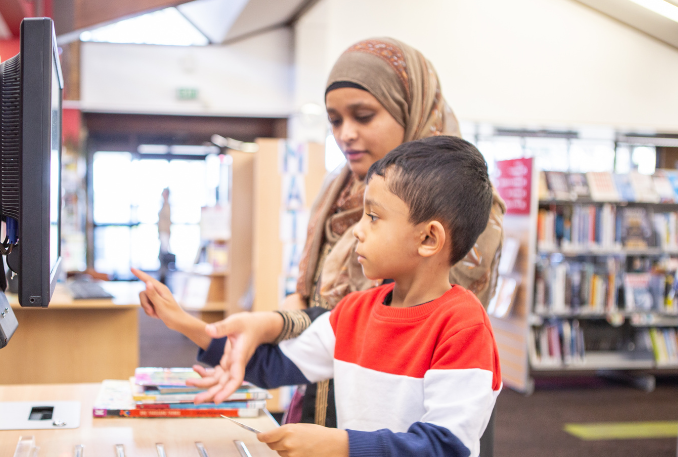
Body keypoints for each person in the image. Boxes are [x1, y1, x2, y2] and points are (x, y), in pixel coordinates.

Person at [134, 36, 506, 429]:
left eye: (363, 116)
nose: (345, 133)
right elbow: (323, 313)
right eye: (335, 120)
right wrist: (194, 323)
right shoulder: (339, 190)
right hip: (328, 402)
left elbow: (436, 427)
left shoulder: (459, 214)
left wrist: (274, 324)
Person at [139, 136, 501, 457]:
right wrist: (184, 323)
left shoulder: (463, 328)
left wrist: (339, 445)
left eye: (373, 217)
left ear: (428, 239)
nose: (358, 231)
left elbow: (445, 447)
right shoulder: (355, 312)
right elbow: (272, 365)